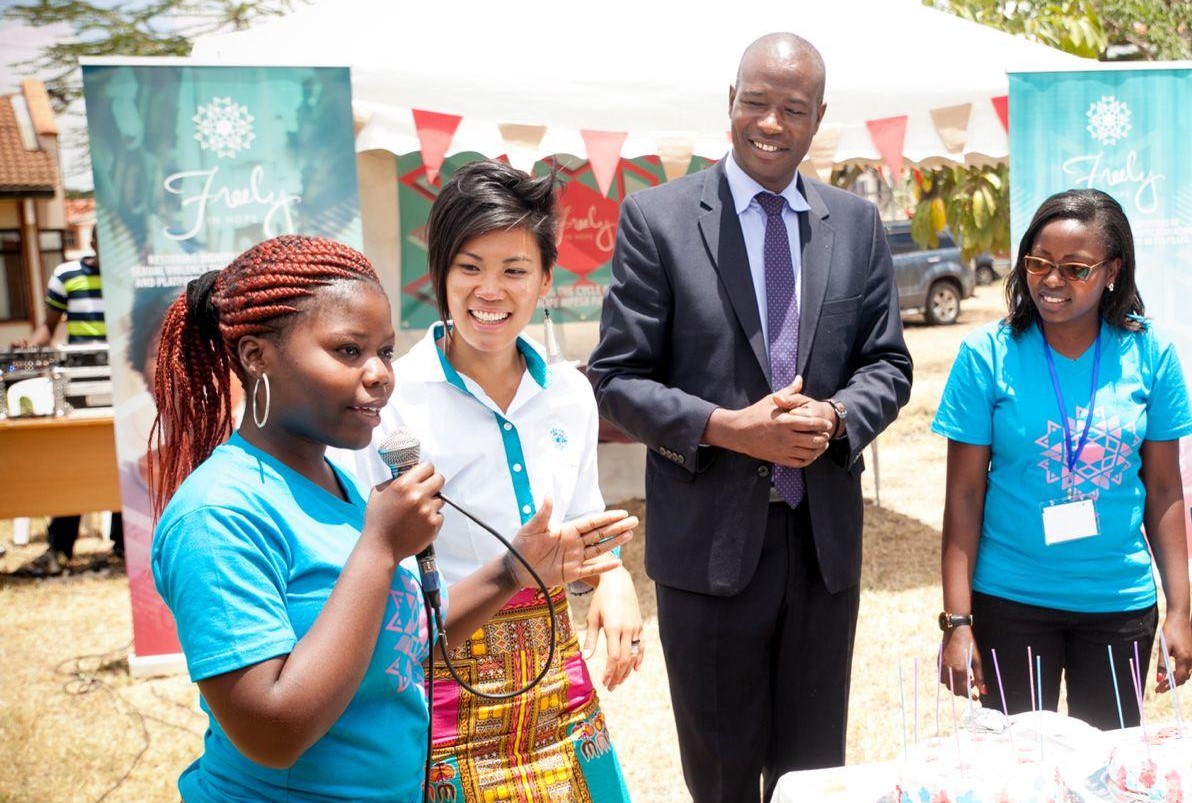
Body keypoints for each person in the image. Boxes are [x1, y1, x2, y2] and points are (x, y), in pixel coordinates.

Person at [148, 234, 633, 803]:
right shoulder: (218, 517)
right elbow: (272, 736)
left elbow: (404, 644)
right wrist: (379, 549)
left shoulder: (340, 486)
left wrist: (512, 570)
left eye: (384, 350)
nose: (380, 373)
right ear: (256, 357)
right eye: (348, 351)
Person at [586, 32, 913, 802]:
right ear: (729, 102)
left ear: (819, 118)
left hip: (822, 548)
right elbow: (617, 377)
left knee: (815, 776)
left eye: (793, 109)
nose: (771, 123)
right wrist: (729, 428)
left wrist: (835, 417)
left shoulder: (855, 224)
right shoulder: (658, 218)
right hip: (709, 549)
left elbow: (889, 364)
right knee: (723, 778)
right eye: (756, 103)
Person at [336, 160, 642, 802]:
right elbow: (369, 563)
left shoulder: (570, 394)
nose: (491, 291)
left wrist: (612, 578)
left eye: (515, 271)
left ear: (546, 280)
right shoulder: (391, 401)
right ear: (440, 275)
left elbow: (582, 528)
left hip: (558, 675)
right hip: (437, 681)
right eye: (470, 267)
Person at [934, 189, 1192, 728]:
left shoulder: (1152, 354)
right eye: (1039, 263)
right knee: (1018, 763)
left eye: (1075, 269)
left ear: (1112, 271)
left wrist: (1180, 610)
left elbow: (1166, 490)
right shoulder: (986, 354)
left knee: (1108, 764)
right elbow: (964, 494)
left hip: (1117, 602)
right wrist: (957, 621)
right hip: (1011, 598)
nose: (1051, 281)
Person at [14, 231, 123, 575]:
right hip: (81, 380)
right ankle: (60, 546)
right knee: (75, 460)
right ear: (93, 244)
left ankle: (124, 546)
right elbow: (49, 327)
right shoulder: (67, 275)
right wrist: (29, 351)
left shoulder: (130, 276)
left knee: (121, 460)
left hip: (124, 380)